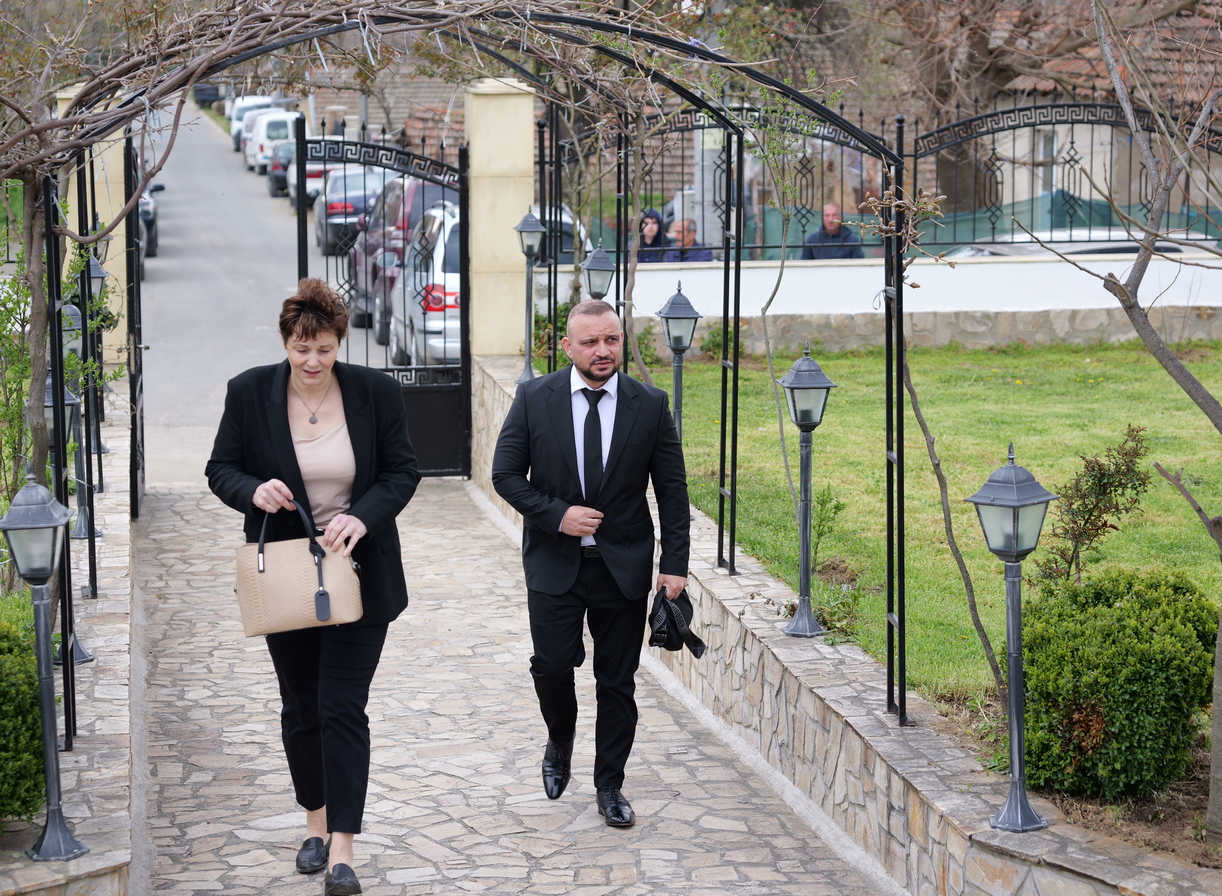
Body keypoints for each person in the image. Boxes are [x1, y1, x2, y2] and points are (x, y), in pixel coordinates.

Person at [205, 279, 420, 896]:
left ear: (338, 343)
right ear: (285, 343)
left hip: (359, 575)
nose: (312, 361)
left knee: (341, 707)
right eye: (302, 350)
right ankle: (315, 823)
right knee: (301, 707)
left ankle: (344, 852)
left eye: (324, 349)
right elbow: (220, 469)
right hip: (288, 577)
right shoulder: (249, 392)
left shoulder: (376, 392)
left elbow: (403, 471)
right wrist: (253, 490)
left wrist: (363, 517)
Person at [491, 300, 690, 828]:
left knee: (617, 682)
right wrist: (558, 515)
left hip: (622, 568)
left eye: (612, 340)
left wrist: (674, 562)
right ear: (568, 347)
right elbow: (505, 475)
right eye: (590, 342)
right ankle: (560, 737)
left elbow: (672, 489)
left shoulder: (650, 404)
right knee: (553, 666)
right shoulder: (535, 398)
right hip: (553, 563)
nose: (603, 351)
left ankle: (609, 785)